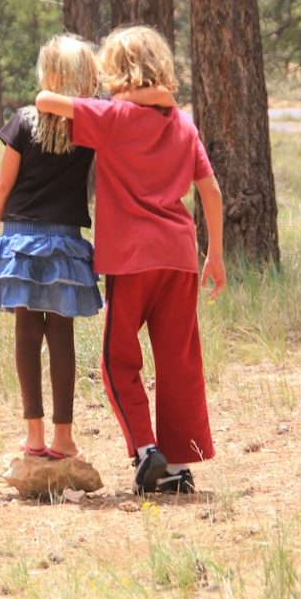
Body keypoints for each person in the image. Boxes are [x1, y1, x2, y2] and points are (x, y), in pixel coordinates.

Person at [36, 25, 226, 494]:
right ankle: (180, 467)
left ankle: (146, 450)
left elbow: (44, 100)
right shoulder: (183, 123)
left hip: (131, 261)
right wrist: (215, 254)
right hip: (181, 257)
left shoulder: (112, 117)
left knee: (118, 360)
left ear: (116, 73)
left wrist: (115, 97)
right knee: (179, 360)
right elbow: (211, 190)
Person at [0, 35, 102, 460]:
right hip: (65, 240)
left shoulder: (22, 122)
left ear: (48, 74)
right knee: (62, 335)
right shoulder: (87, 127)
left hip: (18, 239)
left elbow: (2, 184)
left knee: (26, 333)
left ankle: (34, 435)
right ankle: (63, 438)